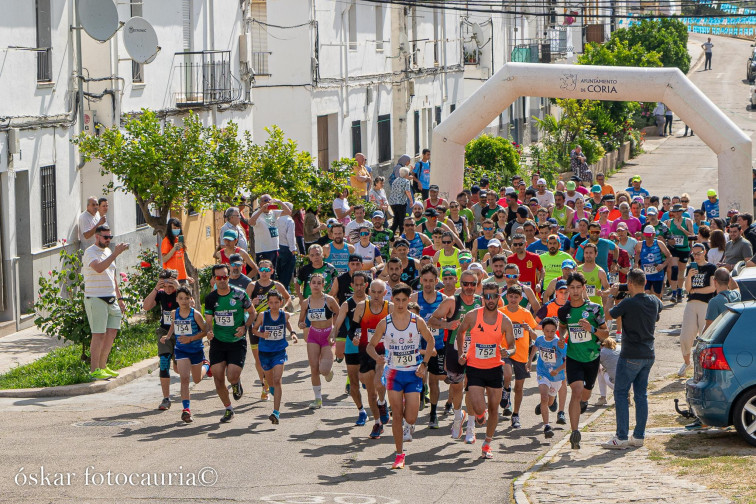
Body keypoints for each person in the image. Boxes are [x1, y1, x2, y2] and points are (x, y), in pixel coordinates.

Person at [367, 283, 434, 469]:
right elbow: (370, 346)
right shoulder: (385, 323)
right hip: (394, 374)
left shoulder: (416, 321)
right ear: (392, 300)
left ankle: (409, 422)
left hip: (413, 373)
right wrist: (377, 357)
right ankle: (399, 454)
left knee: (411, 418)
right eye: (397, 300)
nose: (401, 303)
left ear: (409, 300)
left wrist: (424, 363)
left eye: (405, 300)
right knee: (396, 415)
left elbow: (431, 341)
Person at [601, 269, 663, 449]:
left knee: (620, 393)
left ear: (629, 283)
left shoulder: (628, 303)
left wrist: (611, 296)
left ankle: (621, 437)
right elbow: (658, 310)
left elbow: (607, 315)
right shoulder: (654, 300)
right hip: (648, 354)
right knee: (641, 395)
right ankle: (638, 436)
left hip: (630, 355)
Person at [455, 282, 515, 459]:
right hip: (474, 367)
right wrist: (461, 353)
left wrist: (508, 351)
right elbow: (460, 333)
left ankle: (487, 444)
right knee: (480, 409)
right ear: (482, 298)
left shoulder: (505, 320)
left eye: (493, 296)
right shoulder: (473, 316)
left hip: (495, 367)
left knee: (494, 409)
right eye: (486, 296)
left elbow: (512, 346)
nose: (490, 300)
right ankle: (479, 415)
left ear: (498, 297)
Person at [557, 272, 610, 449]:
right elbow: (562, 326)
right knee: (576, 391)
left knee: (585, 394)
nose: (575, 291)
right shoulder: (564, 310)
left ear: (584, 288)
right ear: (567, 290)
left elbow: (605, 334)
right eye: (571, 287)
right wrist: (562, 336)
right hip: (573, 357)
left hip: (592, 357)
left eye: (578, 287)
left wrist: (591, 328)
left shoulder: (595, 309)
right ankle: (574, 432)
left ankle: (584, 402)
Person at [429, 270, 482, 439]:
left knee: (473, 389)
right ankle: (458, 418)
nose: (468, 287)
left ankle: (471, 427)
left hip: (476, 348)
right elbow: (431, 320)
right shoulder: (452, 301)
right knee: (457, 387)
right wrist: (448, 324)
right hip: (454, 348)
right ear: (460, 283)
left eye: (472, 284)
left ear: (476, 285)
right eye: (465, 284)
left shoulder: (481, 302)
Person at [204, 264, 254, 423]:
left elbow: (252, 313)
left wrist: (244, 327)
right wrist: (209, 331)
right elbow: (209, 321)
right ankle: (228, 409)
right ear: (214, 279)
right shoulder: (211, 298)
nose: (222, 280)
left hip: (236, 341)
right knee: (218, 378)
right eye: (218, 277)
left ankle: (236, 383)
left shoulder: (240, 294)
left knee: (232, 376)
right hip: (218, 342)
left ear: (229, 276)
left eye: (225, 276)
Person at [83, 225, 129, 380]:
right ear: (97, 236)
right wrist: (115, 254)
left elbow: (112, 276)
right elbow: (99, 268)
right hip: (95, 297)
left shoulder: (108, 251)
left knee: (112, 332)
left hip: (111, 298)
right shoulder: (90, 252)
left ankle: (103, 366)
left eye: (110, 237)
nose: (108, 240)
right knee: (99, 334)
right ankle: (94, 369)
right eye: (105, 237)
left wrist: (120, 297)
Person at [143, 269, 193, 410]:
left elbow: (193, 304)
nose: (168, 289)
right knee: (164, 362)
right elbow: (146, 306)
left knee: (179, 369)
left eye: (171, 285)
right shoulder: (160, 294)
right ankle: (166, 399)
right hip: (165, 332)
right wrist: (155, 288)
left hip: (181, 332)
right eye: (165, 285)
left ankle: (203, 365)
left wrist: (178, 287)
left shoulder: (181, 294)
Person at [162, 286, 209, 423]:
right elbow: (173, 325)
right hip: (181, 350)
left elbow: (205, 331)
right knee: (184, 379)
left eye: (186, 298)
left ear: (191, 299)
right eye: (181, 298)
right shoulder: (174, 313)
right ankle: (186, 410)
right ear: (176, 299)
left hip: (196, 350)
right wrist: (168, 336)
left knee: (197, 379)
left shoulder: (196, 314)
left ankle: (206, 365)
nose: (184, 301)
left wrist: (191, 339)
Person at [353, 279, 393, 438]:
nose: (376, 295)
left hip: (384, 351)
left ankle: (382, 403)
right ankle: (377, 422)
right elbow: (354, 328)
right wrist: (355, 337)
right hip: (365, 351)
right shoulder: (362, 307)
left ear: (385, 293)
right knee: (370, 393)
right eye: (373, 292)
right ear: (369, 292)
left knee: (378, 381)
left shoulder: (390, 308)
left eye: (380, 292)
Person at [252, 290, 298, 424]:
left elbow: (287, 322)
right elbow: (254, 329)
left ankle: (276, 412)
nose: (274, 305)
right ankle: (270, 388)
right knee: (271, 382)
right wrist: (262, 335)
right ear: (267, 303)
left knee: (278, 380)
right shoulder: (262, 315)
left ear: (281, 303)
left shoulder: (284, 315)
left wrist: (293, 333)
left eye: (276, 302)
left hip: (279, 351)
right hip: (265, 352)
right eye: (271, 302)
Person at [332, 271, 371, 425]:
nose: (359, 287)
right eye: (356, 284)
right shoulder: (347, 304)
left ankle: (379, 404)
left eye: (362, 284)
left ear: (366, 285)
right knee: (354, 382)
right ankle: (361, 411)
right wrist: (332, 335)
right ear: (351, 285)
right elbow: (338, 323)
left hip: (370, 347)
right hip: (351, 346)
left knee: (371, 381)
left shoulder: (373, 303)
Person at [248, 259, 291, 400]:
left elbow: (287, 297)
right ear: (258, 271)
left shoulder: (276, 285)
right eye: (261, 270)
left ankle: (271, 381)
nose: (264, 272)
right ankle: (264, 386)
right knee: (259, 359)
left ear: (272, 271)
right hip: (257, 326)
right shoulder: (252, 285)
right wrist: (250, 304)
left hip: (273, 327)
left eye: (267, 270)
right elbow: (243, 304)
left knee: (274, 356)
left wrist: (282, 310)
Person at [410, 265, 446, 427]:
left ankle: (433, 413)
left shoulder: (443, 300)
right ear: (420, 280)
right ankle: (421, 393)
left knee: (434, 382)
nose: (428, 284)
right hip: (418, 347)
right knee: (419, 378)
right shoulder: (414, 299)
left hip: (437, 346)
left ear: (436, 281)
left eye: (431, 280)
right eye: (425, 280)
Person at [297, 274, 340, 409]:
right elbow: (300, 321)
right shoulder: (306, 302)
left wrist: (334, 331)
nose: (316, 285)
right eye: (313, 282)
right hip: (314, 336)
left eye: (319, 283)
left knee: (324, 370)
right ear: (309, 285)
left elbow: (340, 314)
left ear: (323, 285)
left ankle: (328, 371)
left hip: (328, 335)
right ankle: (317, 399)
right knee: (314, 368)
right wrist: (301, 325)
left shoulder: (330, 300)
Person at [500, 285, 538, 430]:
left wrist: (528, 329)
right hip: (506, 351)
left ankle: (515, 414)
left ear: (521, 299)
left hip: (522, 354)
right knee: (507, 374)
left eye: (516, 297)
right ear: (507, 297)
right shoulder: (501, 312)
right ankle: (505, 389)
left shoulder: (526, 314)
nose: (513, 299)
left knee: (520, 387)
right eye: (511, 297)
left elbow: (535, 336)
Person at [677, 243, 717, 377]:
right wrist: (689, 276)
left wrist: (696, 290)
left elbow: (712, 288)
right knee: (685, 335)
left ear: (704, 252)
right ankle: (687, 362)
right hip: (691, 303)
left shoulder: (711, 268)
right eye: (694, 254)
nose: (696, 256)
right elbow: (687, 289)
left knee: (704, 335)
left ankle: (703, 366)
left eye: (699, 253)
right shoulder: (691, 267)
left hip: (705, 303)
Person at [532, 317, 566, 438]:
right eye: (547, 331)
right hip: (543, 372)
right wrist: (529, 361)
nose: (550, 334)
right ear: (542, 330)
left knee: (549, 402)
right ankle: (546, 426)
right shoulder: (540, 339)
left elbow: (568, 361)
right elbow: (535, 347)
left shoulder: (560, 343)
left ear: (556, 330)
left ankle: (546, 402)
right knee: (544, 396)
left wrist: (557, 370)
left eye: (552, 331)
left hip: (556, 377)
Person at [248, 195, 292, 268]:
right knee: (264, 272)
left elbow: (288, 212)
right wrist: (262, 209)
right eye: (265, 200)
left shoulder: (273, 212)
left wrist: (279, 202)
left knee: (272, 272)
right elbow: (250, 222)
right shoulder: (257, 214)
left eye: (270, 200)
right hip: (263, 250)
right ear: (260, 203)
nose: (268, 202)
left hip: (274, 248)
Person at [634, 225, 671, 299]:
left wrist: (662, 266)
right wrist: (636, 263)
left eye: (649, 236)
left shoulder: (659, 243)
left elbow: (669, 256)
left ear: (654, 234)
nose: (648, 238)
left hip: (657, 274)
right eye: (646, 236)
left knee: (657, 295)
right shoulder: (640, 244)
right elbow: (637, 254)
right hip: (645, 275)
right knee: (646, 294)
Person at [389, 167, 413, 234]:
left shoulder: (396, 180)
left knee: (396, 219)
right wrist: (411, 200)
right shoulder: (406, 181)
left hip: (392, 202)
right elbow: (407, 191)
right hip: (401, 202)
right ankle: (402, 234)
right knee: (402, 220)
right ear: (406, 174)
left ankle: (391, 234)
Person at [596, 337, 619, 406]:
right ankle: (626, 396)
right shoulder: (620, 348)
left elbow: (595, 369)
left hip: (615, 383)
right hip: (629, 381)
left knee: (600, 370)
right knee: (603, 369)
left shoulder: (602, 352)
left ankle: (603, 397)